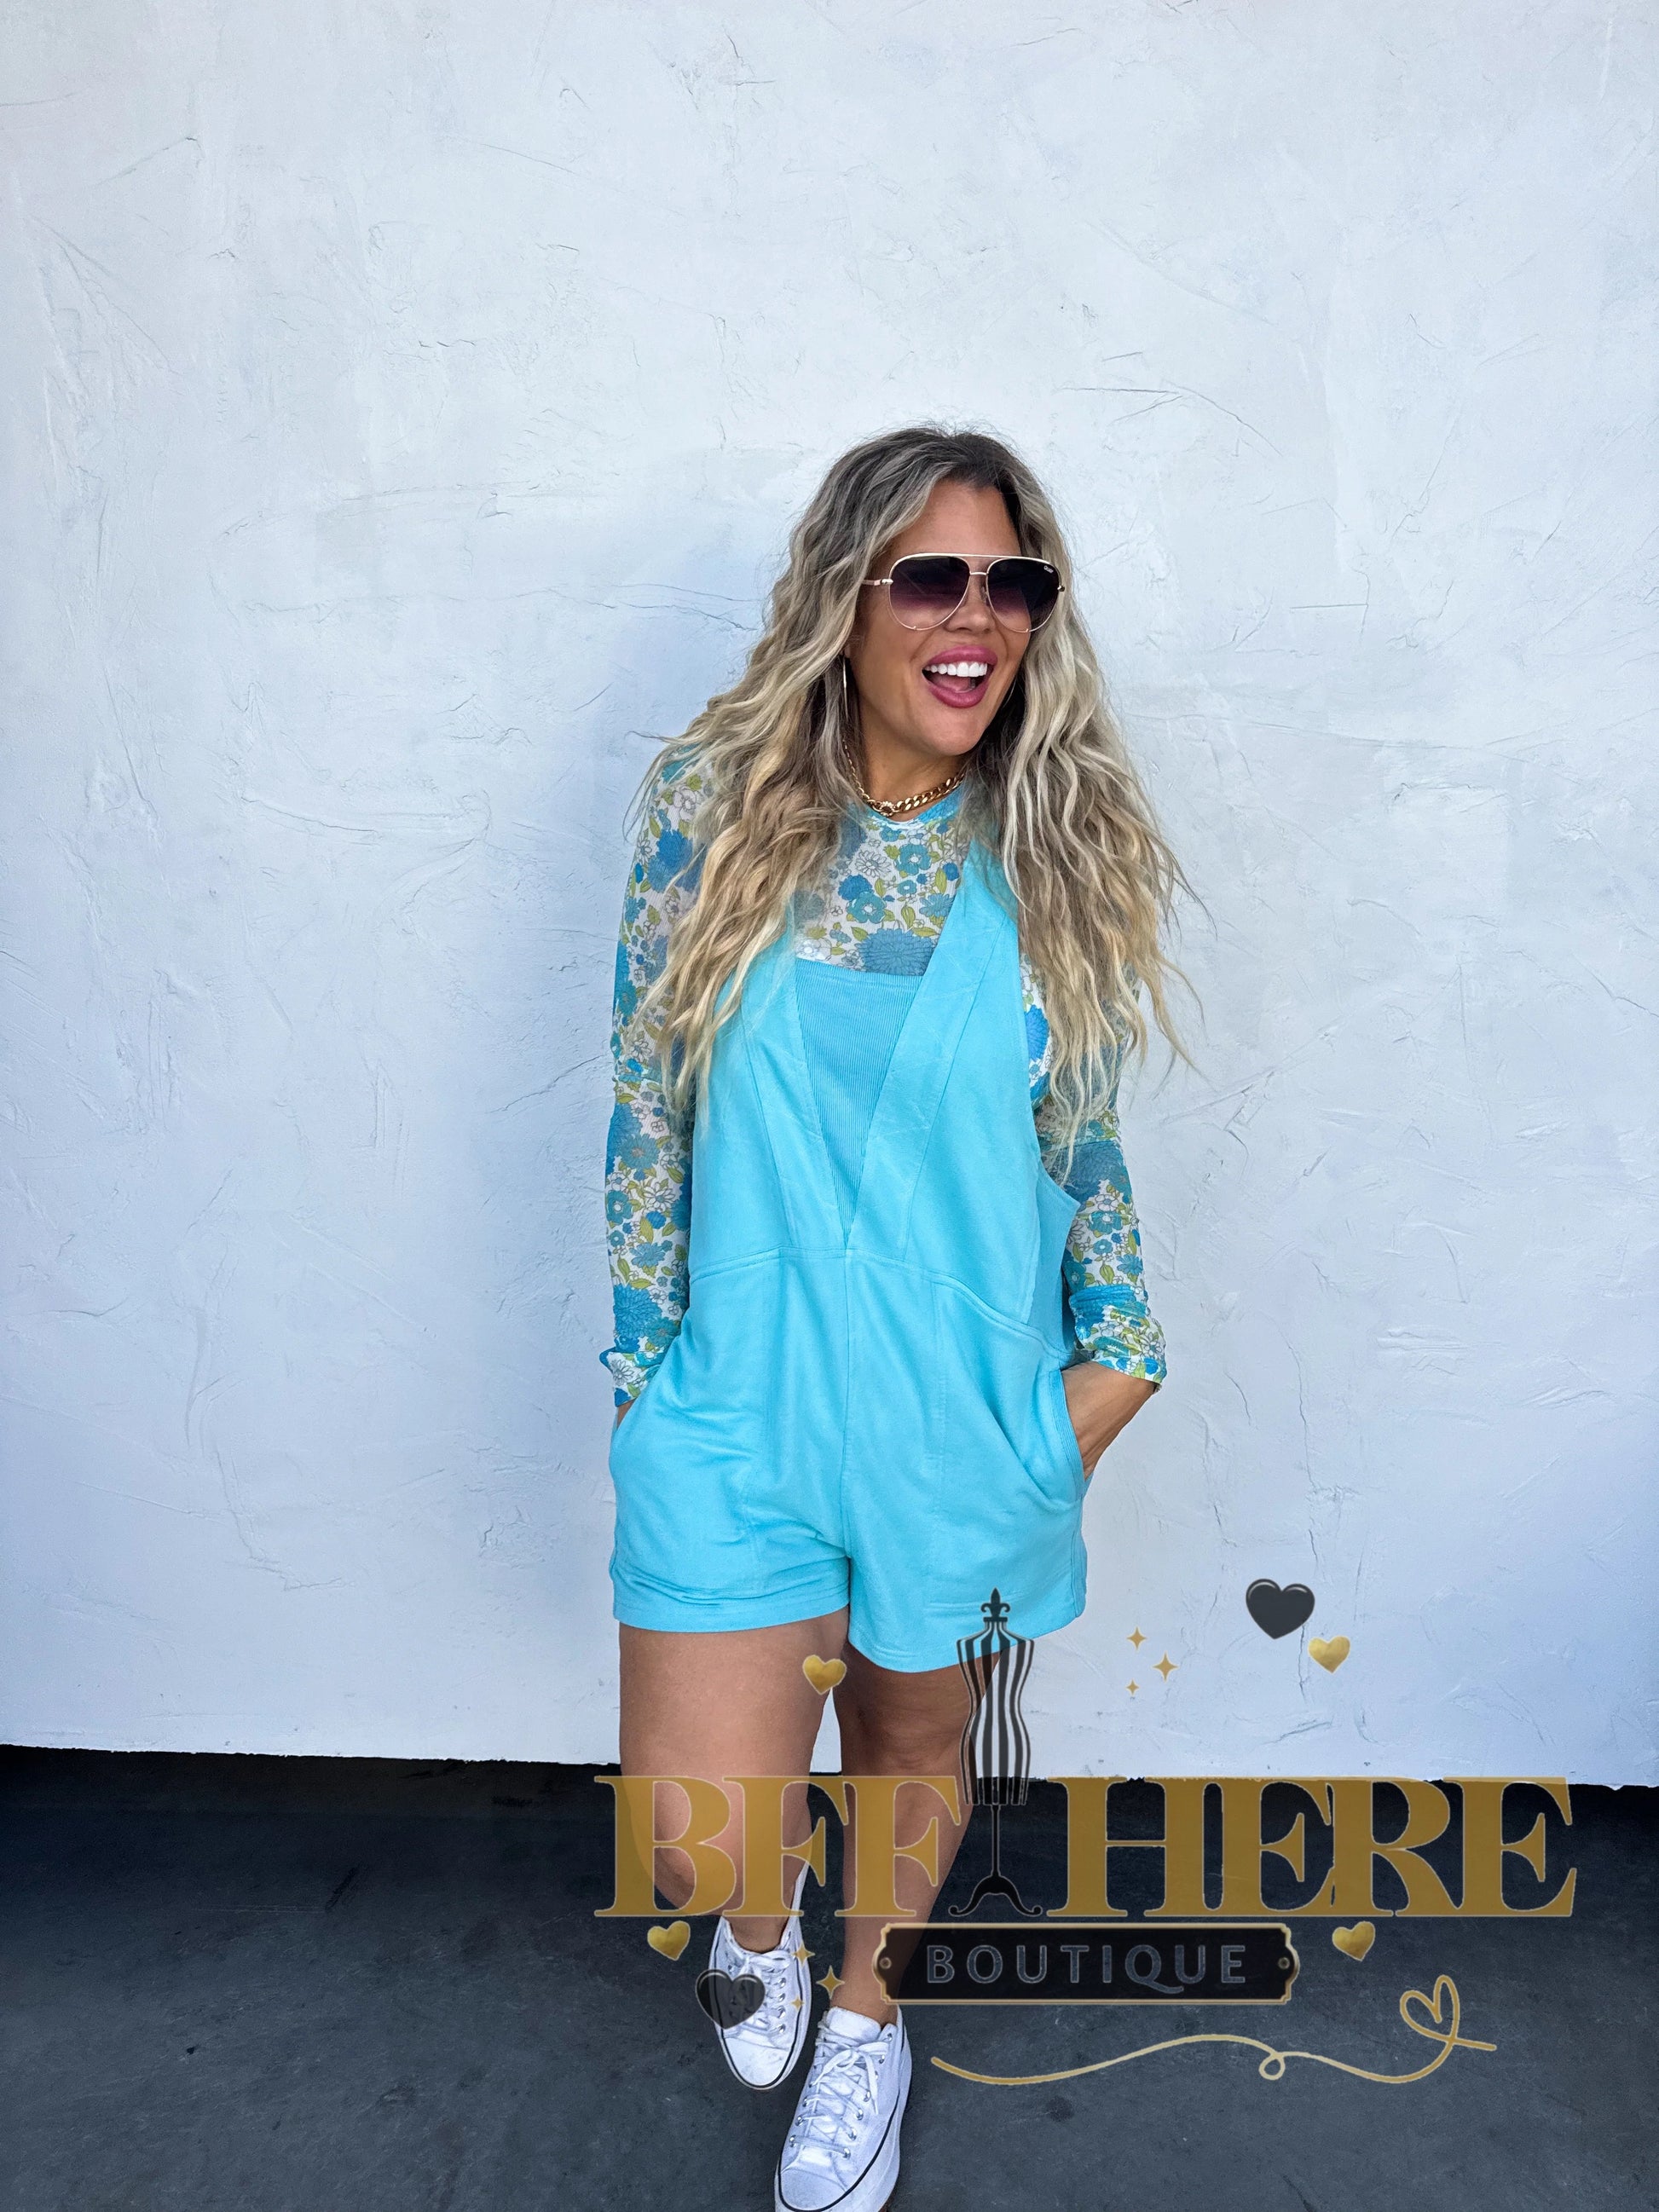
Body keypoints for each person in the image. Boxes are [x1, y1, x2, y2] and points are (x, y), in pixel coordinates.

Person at [601, 425, 1185, 2211]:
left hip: (960, 1412)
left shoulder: (1051, 844)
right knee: (701, 1832)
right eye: (932, 575)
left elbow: (1078, 1144)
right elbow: (644, 1106)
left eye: (1014, 582)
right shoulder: (711, 803)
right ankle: (760, 1927)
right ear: (845, 600)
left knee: (912, 1745)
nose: (975, 615)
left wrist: (1105, 1376)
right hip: (747, 1400)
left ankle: (867, 2020)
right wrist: (647, 1392)